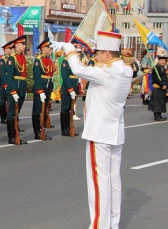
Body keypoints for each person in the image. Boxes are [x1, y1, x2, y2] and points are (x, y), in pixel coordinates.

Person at [56, 31, 132, 229]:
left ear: (107, 54)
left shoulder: (106, 73)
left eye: (98, 53)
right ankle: (112, 224)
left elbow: (79, 70)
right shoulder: (125, 70)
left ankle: (99, 225)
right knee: (114, 182)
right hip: (116, 132)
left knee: (99, 183)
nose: (95, 56)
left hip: (100, 133)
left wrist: (69, 49)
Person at [3, 35, 28, 145]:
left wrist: (24, 90)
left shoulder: (22, 57)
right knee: (11, 113)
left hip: (21, 88)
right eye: (23, 44)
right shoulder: (12, 58)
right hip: (14, 89)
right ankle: (11, 136)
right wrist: (13, 91)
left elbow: (24, 75)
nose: (24, 46)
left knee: (17, 113)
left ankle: (16, 134)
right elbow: (9, 77)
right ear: (17, 46)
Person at [31, 38, 54, 141]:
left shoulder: (48, 59)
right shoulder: (38, 60)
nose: (49, 49)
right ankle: (37, 132)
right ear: (42, 48)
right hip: (40, 89)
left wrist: (50, 88)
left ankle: (42, 129)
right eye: (47, 47)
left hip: (47, 88)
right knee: (37, 111)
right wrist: (40, 91)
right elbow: (37, 76)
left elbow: (50, 75)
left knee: (44, 110)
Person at [59, 45, 81, 136]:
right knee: (65, 109)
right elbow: (65, 76)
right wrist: (70, 89)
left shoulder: (74, 61)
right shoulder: (66, 61)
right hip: (67, 88)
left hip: (74, 86)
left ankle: (68, 128)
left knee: (70, 109)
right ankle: (65, 129)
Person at [148, 48, 168, 121]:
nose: (163, 62)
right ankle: (156, 116)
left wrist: (165, 84)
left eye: (164, 60)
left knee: (161, 101)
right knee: (157, 102)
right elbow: (157, 79)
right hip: (158, 87)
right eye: (161, 60)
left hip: (162, 87)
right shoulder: (156, 68)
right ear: (159, 60)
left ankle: (159, 115)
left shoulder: (162, 67)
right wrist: (162, 85)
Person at [0, 41, 14, 124]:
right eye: (9, 48)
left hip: (11, 82)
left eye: (11, 48)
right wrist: (5, 84)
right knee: (3, 101)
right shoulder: (2, 60)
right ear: (5, 49)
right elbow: (2, 73)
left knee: (11, 101)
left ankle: (9, 116)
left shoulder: (12, 58)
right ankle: (3, 117)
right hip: (4, 83)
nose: (10, 50)